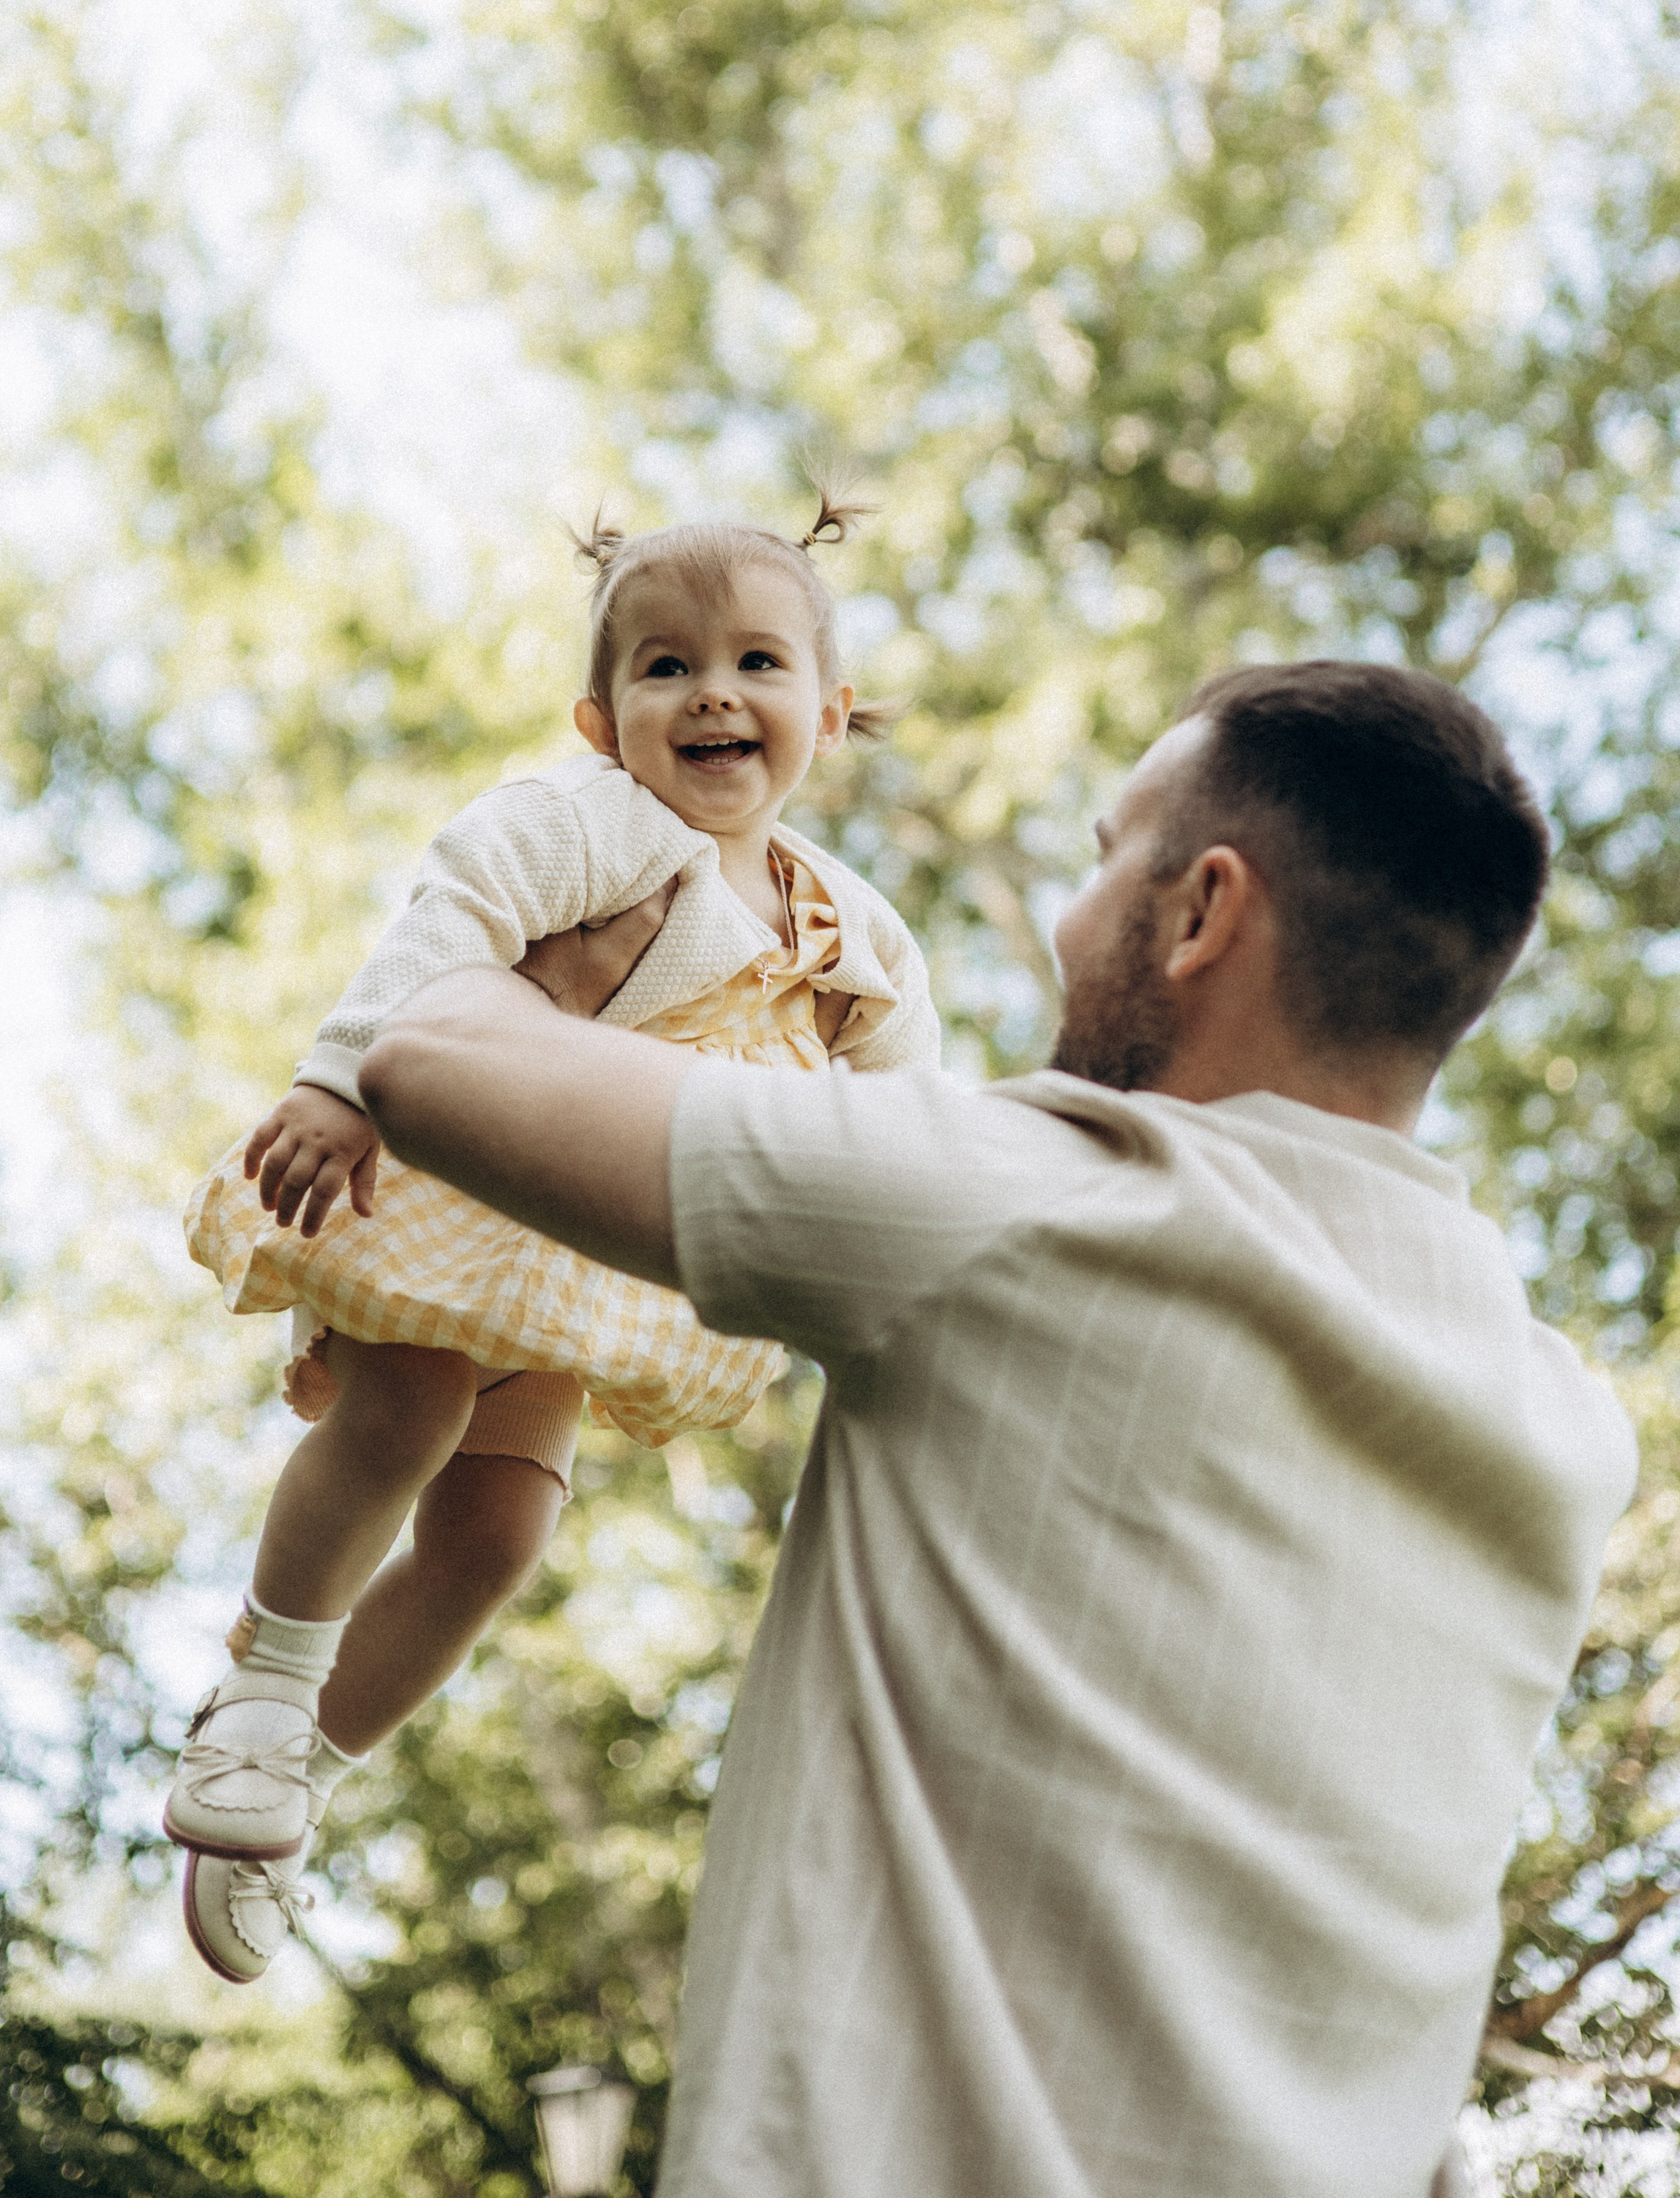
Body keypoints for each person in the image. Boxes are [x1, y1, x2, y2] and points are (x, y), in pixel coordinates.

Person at [354, 659, 1637, 2198]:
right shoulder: (1555, 1427)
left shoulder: (1040, 1202)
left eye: (1105, 855)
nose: (1067, 916)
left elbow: (426, 1059)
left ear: (1200, 911)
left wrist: (576, 907)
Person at [165, 500, 938, 1984]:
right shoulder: (594, 826)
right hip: (457, 1195)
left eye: (757, 661)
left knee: (502, 1531)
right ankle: (268, 1682)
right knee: (407, 1409)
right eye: (665, 669)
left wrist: (918, 1285)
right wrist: (337, 1081)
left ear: (826, 713)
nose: (711, 692)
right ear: (602, 721)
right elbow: (442, 924)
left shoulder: (851, 924)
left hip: (588, 1258)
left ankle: (296, 1772)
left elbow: (911, 1113)